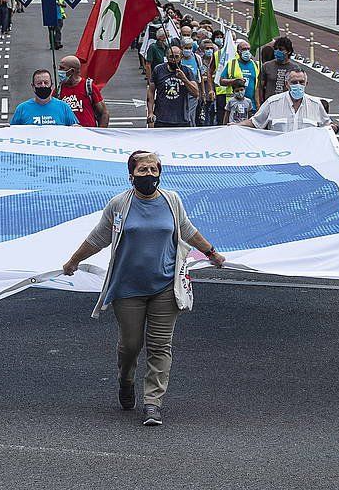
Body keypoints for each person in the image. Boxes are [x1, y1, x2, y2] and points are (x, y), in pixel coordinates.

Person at [61, 150, 226, 426]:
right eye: (143, 171)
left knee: (160, 347)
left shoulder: (172, 201)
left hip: (165, 287)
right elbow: (98, 237)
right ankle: (126, 381)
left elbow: (187, 230)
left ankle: (153, 404)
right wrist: (73, 261)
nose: (149, 175)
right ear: (131, 175)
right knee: (130, 346)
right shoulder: (119, 205)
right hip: (128, 289)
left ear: (160, 173)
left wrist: (212, 253)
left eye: (153, 170)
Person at [242, 68, 338, 133]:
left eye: (301, 82)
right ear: (287, 84)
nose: (298, 85)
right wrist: (235, 126)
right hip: (281, 155)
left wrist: (334, 127)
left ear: (306, 84)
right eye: (294, 82)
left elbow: (327, 126)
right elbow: (255, 123)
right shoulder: (272, 103)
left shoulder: (316, 104)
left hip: (306, 155)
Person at [147, 46, 198, 128]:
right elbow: (151, 91)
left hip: (182, 119)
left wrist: (184, 79)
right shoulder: (158, 70)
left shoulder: (187, 71)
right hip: (162, 119)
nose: (174, 60)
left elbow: (196, 93)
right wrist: (150, 112)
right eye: (171, 57)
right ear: (167, 57)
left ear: (181, 57)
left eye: (176, 57)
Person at [56, 55, 109, 128]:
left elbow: (104, 113)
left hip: (88, 135)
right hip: (67, 135)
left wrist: (101, 134)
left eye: (62, 68)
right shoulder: (58, 89)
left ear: (72, 71)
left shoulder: (88, 86)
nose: (59, 71)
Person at [11, 70, 79, 125]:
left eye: (46, 83)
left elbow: (76, 130)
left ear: (51, 85)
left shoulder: (64, 107)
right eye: (39, 83)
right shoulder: (22, 109)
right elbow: (12, 132)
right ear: (33, 86)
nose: (43, 86)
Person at [256, 37, 301, 108]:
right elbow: (260, 87)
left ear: (288, 51)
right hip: (269, 106)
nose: (277, 51)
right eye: (276, 49)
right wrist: (259, 104)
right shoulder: (266, 66)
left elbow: (299, 87)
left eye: (281, 49)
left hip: (287, 106)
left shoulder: (295, 68)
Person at [217, 39, 259, 114]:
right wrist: (234, 81)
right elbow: (221, 81)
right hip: (234, 105)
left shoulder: (256, 64)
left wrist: (258, 104)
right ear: (238, 51)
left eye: (248, 49)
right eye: (244, 49)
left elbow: (258, 86)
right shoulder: (231, 64)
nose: (247, 51)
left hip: (251, 105)